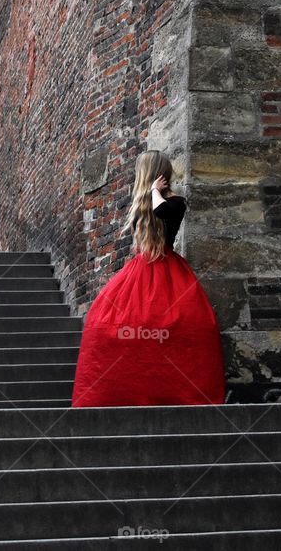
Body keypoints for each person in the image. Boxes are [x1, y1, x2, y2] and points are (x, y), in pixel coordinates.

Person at [71, 150, 226, 407]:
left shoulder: (176, 202)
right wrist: (150, 195)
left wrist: (154, 192)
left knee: (186, 326)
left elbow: (164, 212)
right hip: (140, 269)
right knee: (109, 326)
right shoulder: (141, 208)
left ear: (154, 175)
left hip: (168, 268)